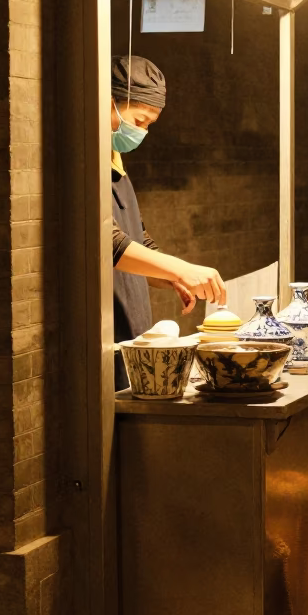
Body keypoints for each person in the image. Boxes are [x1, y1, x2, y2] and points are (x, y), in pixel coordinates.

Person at [111, 55, 227, 389]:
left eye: (149, 124)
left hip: (132, 328)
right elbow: (108, 241)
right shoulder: (86, 163)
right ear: (109, 102)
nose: (142, 131)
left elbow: (138, 237)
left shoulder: (114, 161)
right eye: (139, 120)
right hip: (106, 329)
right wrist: (179, 269)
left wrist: (168, 276)